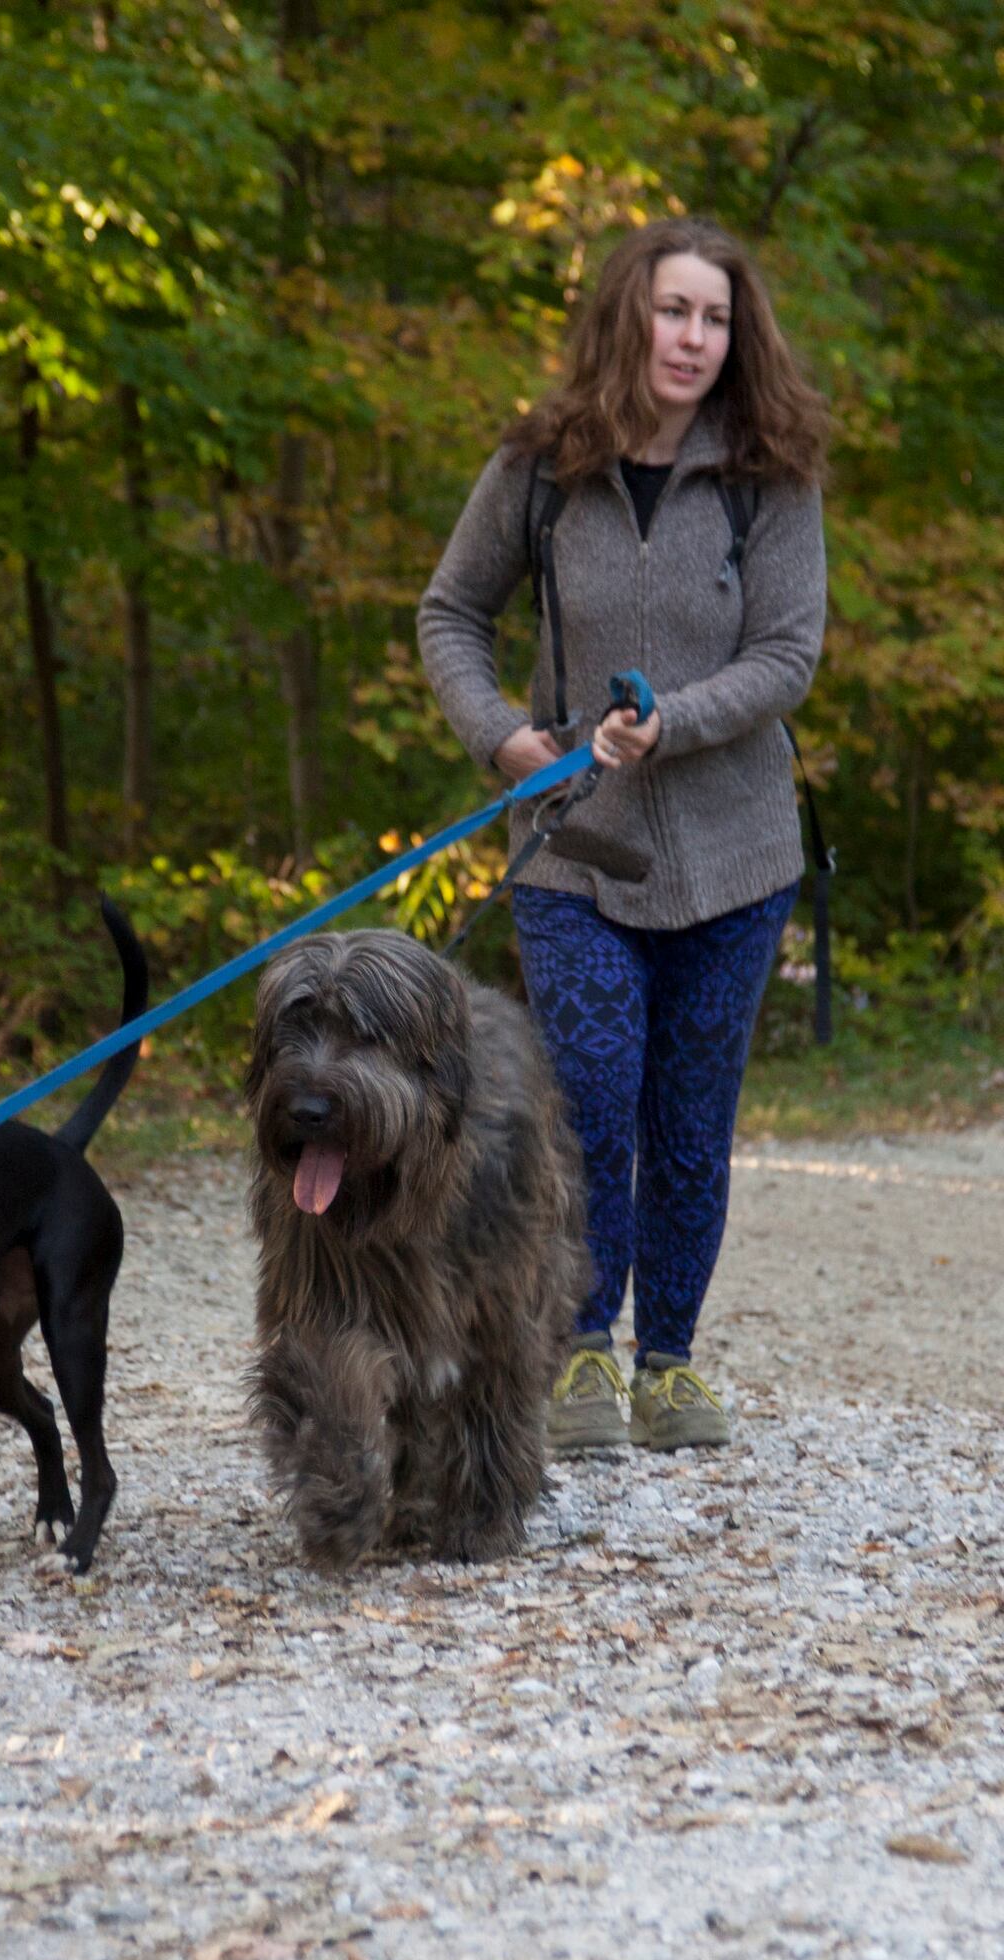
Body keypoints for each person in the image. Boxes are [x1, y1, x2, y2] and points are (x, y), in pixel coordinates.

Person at [416, 217, 829, 1452]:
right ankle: (580, 1348)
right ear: (627, 318)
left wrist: (676, 723)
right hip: (574, 853)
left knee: (691, 1119)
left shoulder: (772, 473)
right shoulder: (542, 466)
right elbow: (449, 613)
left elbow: (788, 655)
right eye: (671, 311)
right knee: (591, 1099)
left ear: (734, 335)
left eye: (713, 317)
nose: (692, 338)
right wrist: (503, 740)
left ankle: (673, 1359)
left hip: (738, 855)